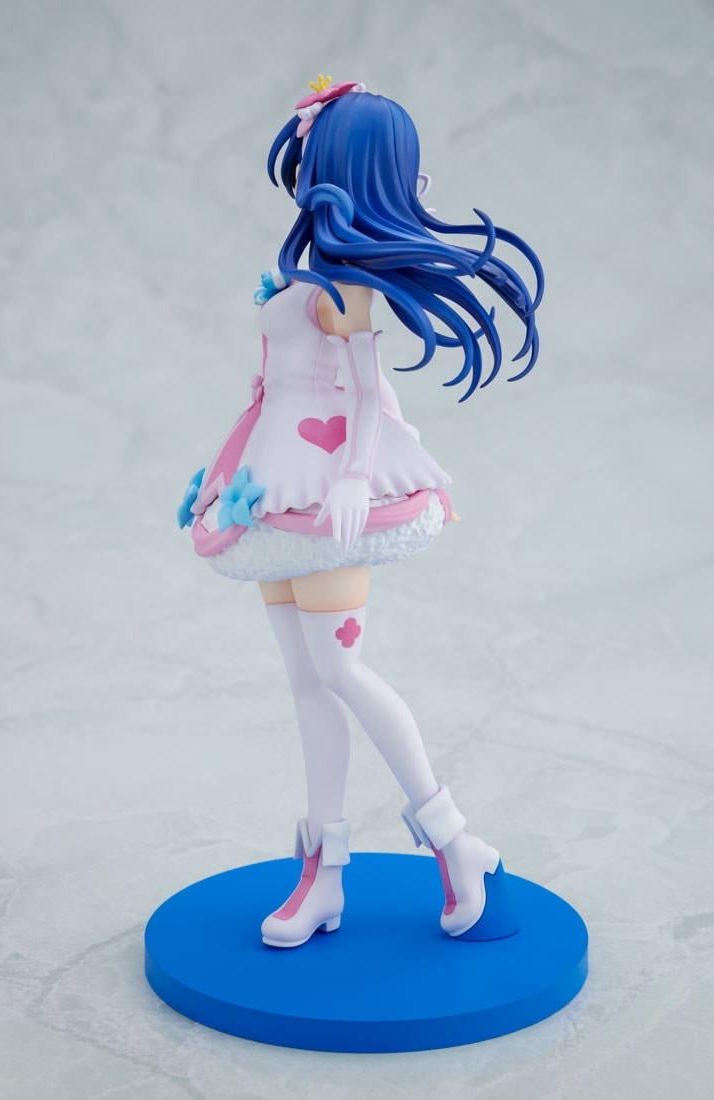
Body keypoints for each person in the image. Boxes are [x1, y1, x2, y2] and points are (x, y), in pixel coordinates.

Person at [178, 77, 543, 949]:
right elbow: (275, 382)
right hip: (274, 483)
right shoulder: (305, 277)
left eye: (310, 151)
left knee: (340, 671)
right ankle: (325, 872)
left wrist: (350, 477)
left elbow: (369, 392)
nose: (299, 163)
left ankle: (452, 838)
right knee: (306, 682)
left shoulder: (343, 291)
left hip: (326, 491)